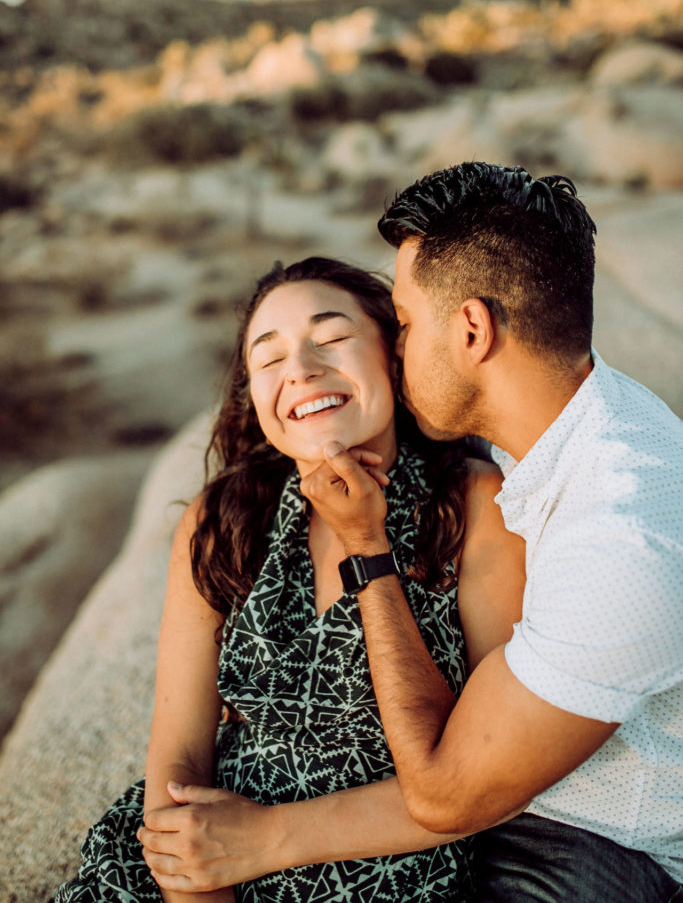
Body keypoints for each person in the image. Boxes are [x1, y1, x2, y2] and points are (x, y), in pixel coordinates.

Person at [55, 255, 525, 903]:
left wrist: (268, 836)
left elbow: (488, 778)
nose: (300, 369)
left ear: (395, 355)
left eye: (331, 338)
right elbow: (178, 763)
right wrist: (199, 881)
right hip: (207, 869)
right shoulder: (221, 520)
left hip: (394, 873)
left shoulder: (474, 505)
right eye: (268, 358)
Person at [299, 164, 683, 901]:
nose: (394, 349)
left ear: (472, 329)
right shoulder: (567, 411)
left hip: (591, 850)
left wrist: (366, 554)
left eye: (405, 326)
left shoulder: (622, 541)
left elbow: (443, 796)